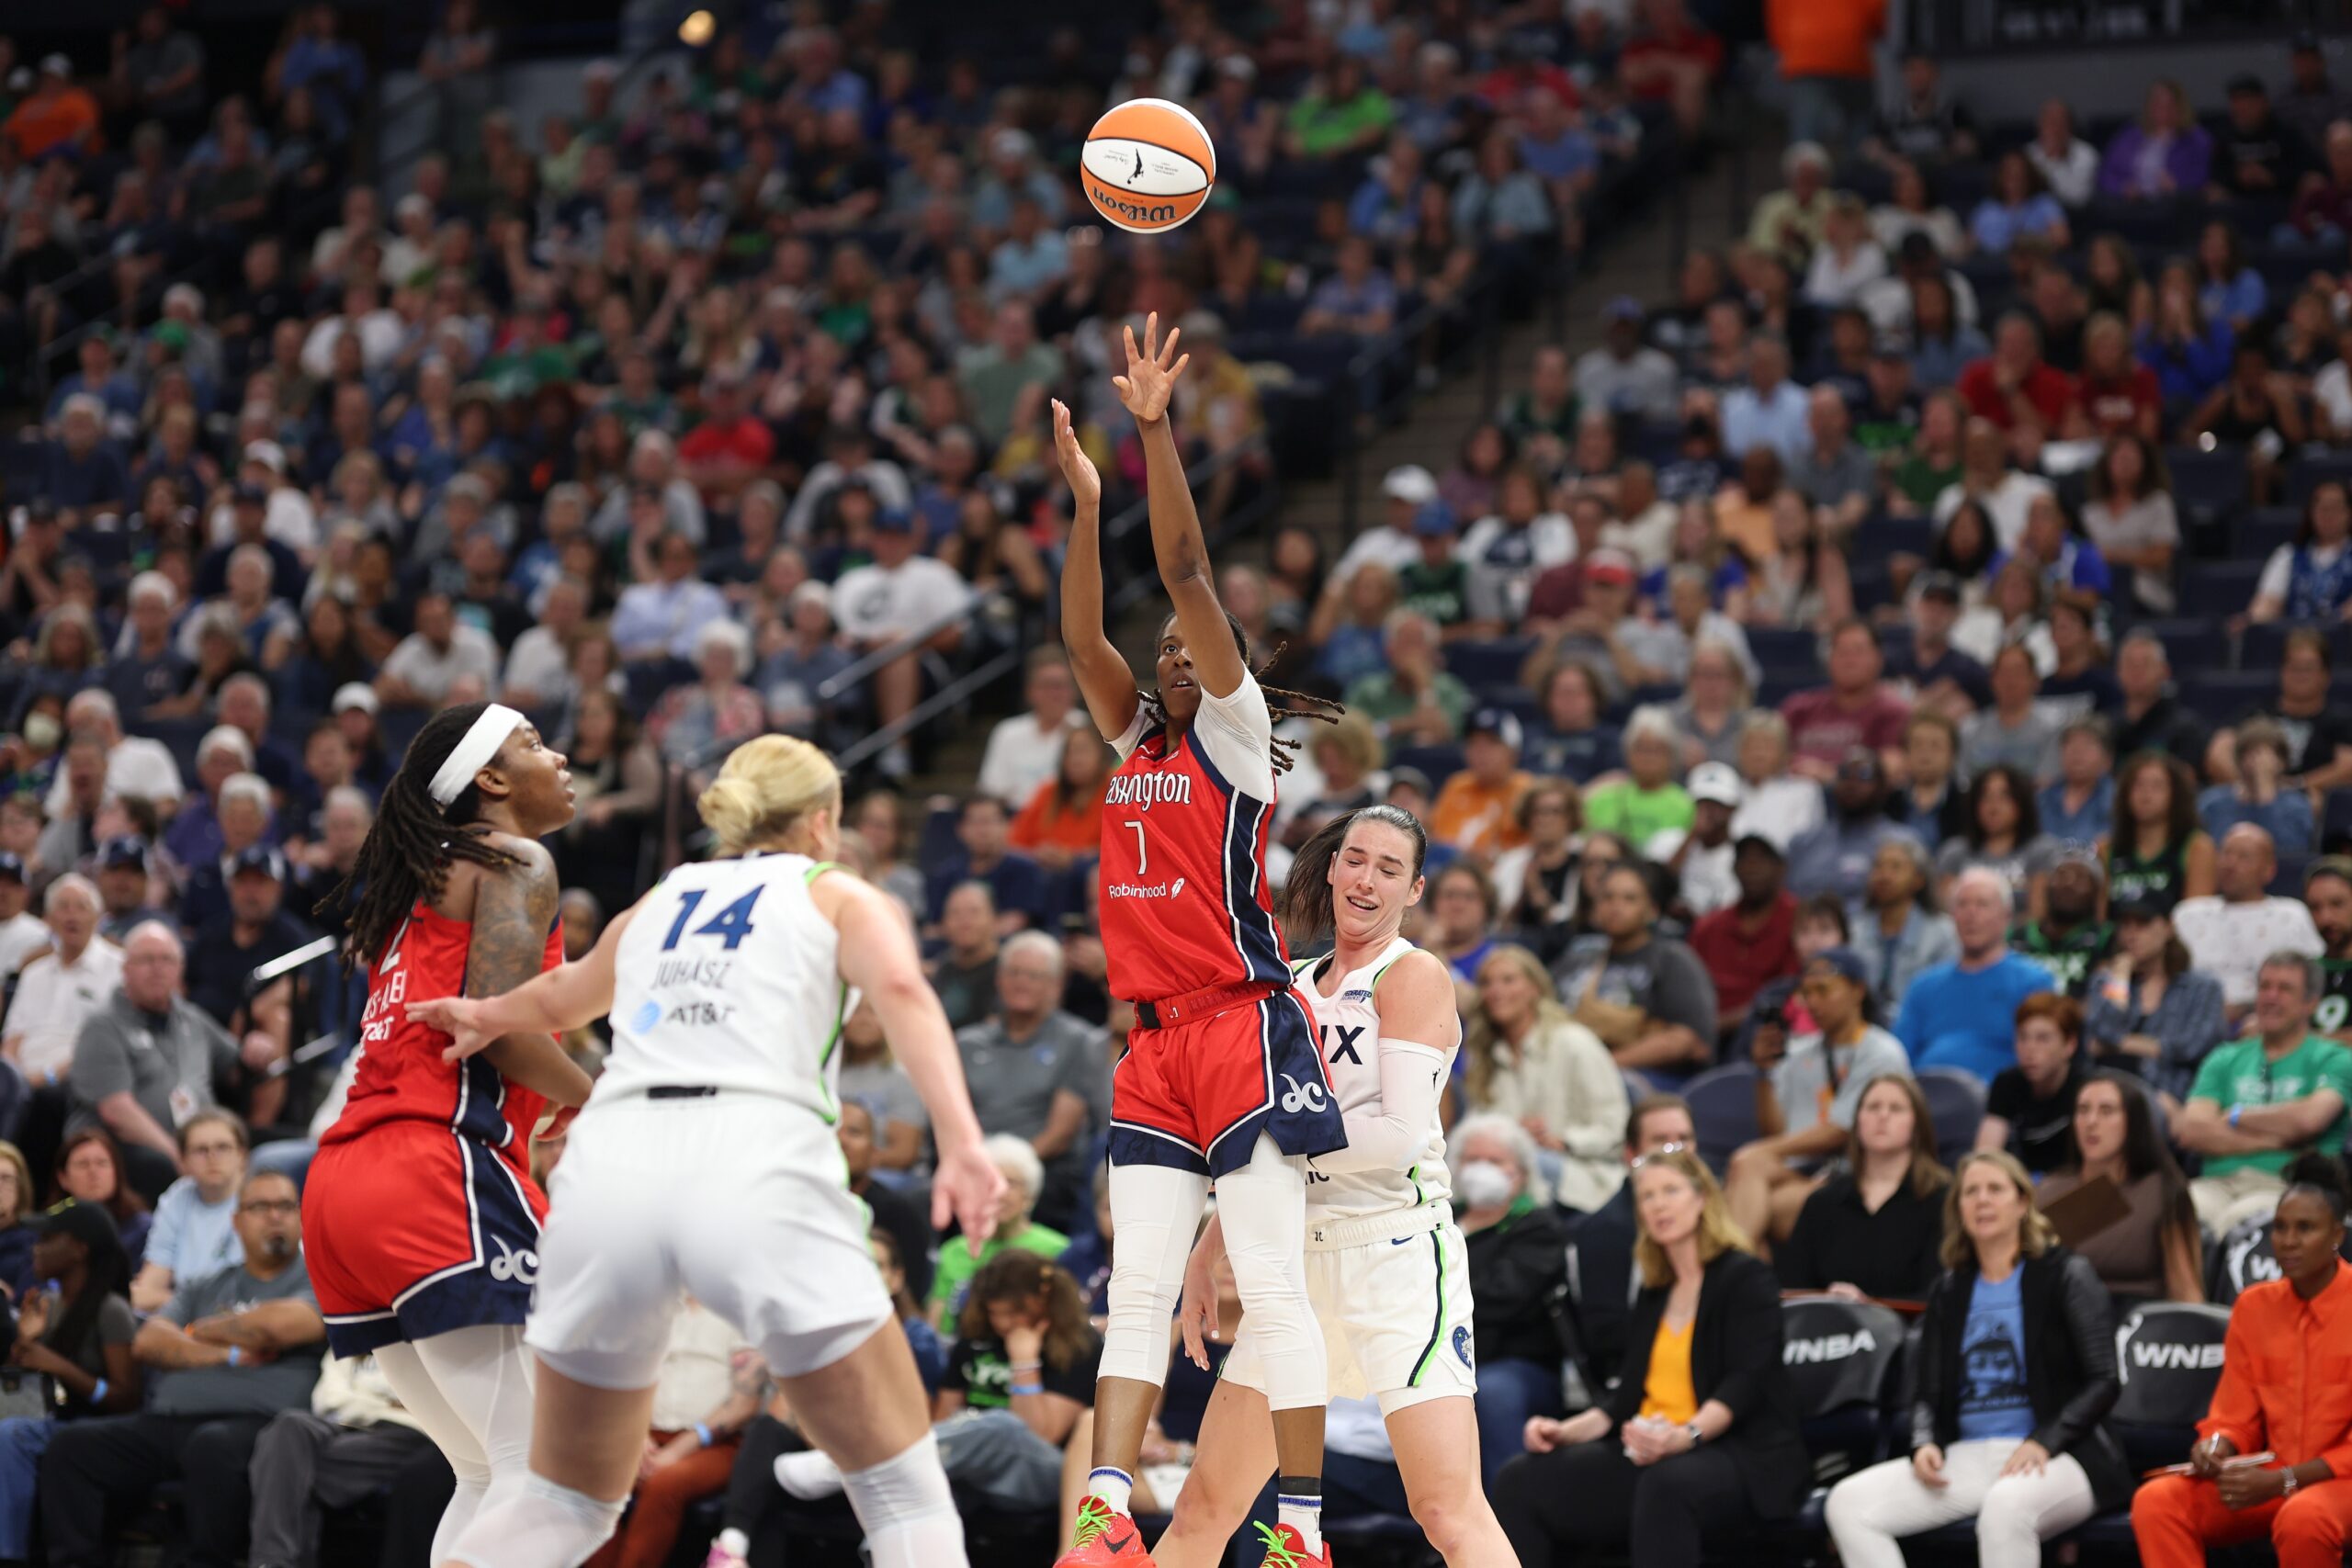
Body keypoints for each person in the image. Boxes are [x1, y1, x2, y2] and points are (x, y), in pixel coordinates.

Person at [403, 733, 1003, 1568]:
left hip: (614, 1158)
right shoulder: (839, 894)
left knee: (563, 1503)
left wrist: (483, 1015)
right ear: (823, 822)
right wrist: (964, 1143)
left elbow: (563, 994)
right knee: (901, 1491)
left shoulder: (663, 897)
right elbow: (902, 989)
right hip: (755, 1151)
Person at [1045, 323, 1349, 1568]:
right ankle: (1108, 1499)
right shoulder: (1140, 745)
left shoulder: (1230, 732)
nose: (1169, 656)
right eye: (1164, 651)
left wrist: (1157, 431)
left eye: (1185, 646)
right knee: (1140, 1287)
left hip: (1239, 1018)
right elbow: (1079, 639)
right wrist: (1083, 503)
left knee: (1270, 1279)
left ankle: (1306, 1528)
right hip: (1154, 1039)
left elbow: (1181, 566)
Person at [1152, 806, 1515, 1568]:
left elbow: (1396, 1136)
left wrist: (1278, 1161)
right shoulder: (1288, 987)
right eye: (1356, 859)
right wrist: (1206, 1247)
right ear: (1331, 867)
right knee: (1205, 1505)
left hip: (1396, 1257)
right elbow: (1258, 1138)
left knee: (1448, 1509)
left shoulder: (1412, 974)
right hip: (1294, 1263)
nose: (1367, 878)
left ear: (1413, 891)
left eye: (1389, 868)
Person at [297, 702, 597, 1566]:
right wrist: (598, 1096)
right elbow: (500, 1027)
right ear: (491, 781)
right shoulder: (516, 857)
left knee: (482, 1466)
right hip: (428, 1167)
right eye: (535, 743)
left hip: (344, 1189)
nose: (561, 752)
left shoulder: (424, 884)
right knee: (544, 1471)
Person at [1492, 1147, 1808, 1568]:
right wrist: (1563, 1431)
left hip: (1738, 1453)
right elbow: (1623, 1401)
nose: (1659, 1204)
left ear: (1702, 1199)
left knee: (1666, 1484)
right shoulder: (1655, 1291)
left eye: (1671, 1191)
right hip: (1652, 1450)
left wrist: (1686, 1436)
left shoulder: (1745, 1277)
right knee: (1520, 1479)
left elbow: (1745, 1383)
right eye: (1648, 1196)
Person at [1822, 1149, 2126, 1568]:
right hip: (1969, 1455)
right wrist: (1924, 1441)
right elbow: (1926, 1392)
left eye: (1995, 1189)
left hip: (2064, 1454)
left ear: (2022, 1203)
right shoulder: (1950, 1289)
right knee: (1847, 1503)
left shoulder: (2066, 1273)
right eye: (1971, 1192)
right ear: (1959, 1208)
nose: (1982, 1200)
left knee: (2005, 1509)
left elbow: (2104, 1378)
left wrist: (2045, 1440)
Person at [38, 1170, 324, 1568]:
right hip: (169, 1420)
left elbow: (283, 1325)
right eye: (260, 1206)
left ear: (301, 1217)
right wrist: (229, 1353)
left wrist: (196, 1331)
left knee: (211, 1446)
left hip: (259, 1424)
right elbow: (148, 1341)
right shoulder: (205, 1285)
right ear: (236, 1221)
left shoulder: (319, 1279)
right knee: (71, 1449)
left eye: (285, 1206)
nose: (274, 1216)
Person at [2130, 1154, 2352, 1568]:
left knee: (2304, 1517)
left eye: (2305, 1228)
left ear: (2337, 1234)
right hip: (2273, 1477)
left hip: (2340, 1482)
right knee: (2158, 1501)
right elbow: (2235, 1414)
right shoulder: (2254, 1307)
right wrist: (2216, 1445)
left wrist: (2284, 1480)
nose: (2287, 1241)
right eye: (2281, 1228)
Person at [1725, 949, 1912, 1251]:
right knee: (1749, 1171)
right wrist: (1763, 1073)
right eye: (1806, 992)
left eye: (1823, 991)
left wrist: (1758, 1151)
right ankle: (1741, 1287)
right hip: (1803, 1175)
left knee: (1751, 1197)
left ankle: (1726, 1283)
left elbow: (1840, 1131)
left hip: (1857, 1179)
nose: (1812, 1002)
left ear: (1857, 991)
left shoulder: (1881, 1051)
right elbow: (1777, 1133)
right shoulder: (1798, 1053)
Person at [2176, 952, 2352, 1240]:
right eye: (2264, 987)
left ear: (2311, 1002)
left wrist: (2234, 1115)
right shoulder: (2224, 1057)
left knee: (2241, 1223)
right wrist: (2282, 1138)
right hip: (2216, 1183)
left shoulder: (2334, 1058)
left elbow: (2309, 1121)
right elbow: (2191, 1130)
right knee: (2178, 1211)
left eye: (2284, 989)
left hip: (2289, 1188)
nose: (2271, 997)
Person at [64, 923, 244, 1205]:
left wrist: (257, 1048)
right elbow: (117, 1112)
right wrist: (177, 1154)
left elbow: (237, 1062)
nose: (158, 969)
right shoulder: (103, 1025)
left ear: (180, 968)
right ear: (125, 968)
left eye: (167, 960)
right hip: (125, 1150)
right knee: (158, 1167)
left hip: (196, 1144)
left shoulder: (191, 1019)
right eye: (147, 960)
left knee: (264, 1147)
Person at [0, 1200, 139, 1563]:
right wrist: (26, 1341)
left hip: (95, 1428)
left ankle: (10, 1553)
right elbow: (32, 1383)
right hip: (53, 1420)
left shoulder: (112, 1310)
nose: (36, 1247)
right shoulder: (49, 1304)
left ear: (80, 1249)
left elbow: (125, 1397)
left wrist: (58, 1365)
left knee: (12, 1434)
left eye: (47, 1237)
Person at [956, 935, 1103, 1232]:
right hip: (972, 1166)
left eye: (1034, 976)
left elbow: (1060, 1133)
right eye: (1014, 972)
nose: (1021, 982)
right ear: (998, 979)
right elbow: (953, 1116)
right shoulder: (967, 1043)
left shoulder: (1077, 1040)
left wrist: (1005, 1172)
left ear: (1056, 986)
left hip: (1042, 1172)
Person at [1463, 944, 1627, 1212]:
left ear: (1534, 988)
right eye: (1487, 983)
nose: (1496, 991)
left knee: (1522, 1167)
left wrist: (1562, 1140)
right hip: (1504, 1170)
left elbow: (1615, 1127)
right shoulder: (1485, 1056)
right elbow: (1474, 1128)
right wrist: (1512, 1135)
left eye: (1508, 980)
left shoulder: (1575, 1043)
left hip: (1580, 1174)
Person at [246, 1350, 436, 1568]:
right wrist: (387, 1405)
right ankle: (273, 1563)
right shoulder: (355, 1329)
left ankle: (272, 1563)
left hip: (406, 1433)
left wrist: (370, 1405)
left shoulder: (426, 1337)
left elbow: (429, 1405)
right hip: (346, 1425)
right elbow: (329, 1398)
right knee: (290, 1425)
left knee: (288, 1468)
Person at [1776, 1074, 1952, 1302]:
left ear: (1917, 1124)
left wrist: (1867, 1308)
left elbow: (1938, 1296)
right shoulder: (1822, 1202)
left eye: (1896, 1108)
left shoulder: (1941, 1199)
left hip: (1910, 1334)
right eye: (1873, 1107)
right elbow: (1793, 1290)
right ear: (1857, 1122)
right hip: (1827, 1332)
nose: (1883, 1115)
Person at [2036, 1072, 2204, 1306]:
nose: (2091, 1122)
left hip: (2135, 1325)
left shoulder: (2160, 1190)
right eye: (2083, 1110)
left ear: (2133, 1122)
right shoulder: (2051, 1188)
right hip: (2060, 1322)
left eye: (2106, 1111)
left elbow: (2186, 1290)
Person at [1554, 863, 1720, 1075]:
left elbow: (1690, 1040)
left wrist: (1603, 1066)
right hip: (1564, 1064)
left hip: (1638, 1077)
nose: (1616, 907)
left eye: (1629, 899)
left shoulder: (1672, 959)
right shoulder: (1580, 952)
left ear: (1652, 911)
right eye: (1607, 897)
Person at [1894, 868, 2057, 1079]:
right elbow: (1899, 1057)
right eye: (1962, 905)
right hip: (1927, 1100)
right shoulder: (1923, 985)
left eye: (1982, 904)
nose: (1971, 914)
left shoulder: (2033, 982)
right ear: (1952, 917)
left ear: (2006, 916)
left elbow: (2042, 1057)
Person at [2173, 825, 2325, 1019]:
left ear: (2269, 870)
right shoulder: (2188, 914)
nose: (2230, 864)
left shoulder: (2291, 915)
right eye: (2226, 854)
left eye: (2244, 857)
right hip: (2191, 1020)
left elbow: (2311, 982)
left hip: (2266, 1021)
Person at [925, 1136, 1069, 1327]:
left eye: (1011, 1183)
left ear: (1030, 1196)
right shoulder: (954, 1251)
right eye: (991, 1182)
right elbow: (935, 1323)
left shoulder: (1058, 1250)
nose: (1000, 1192)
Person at [130, 1111, 248, 1313]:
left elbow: (240, 1299)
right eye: (201, 1150)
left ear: (242, 1156)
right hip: (183, 1315)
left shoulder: (258, 1199)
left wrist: (169, 1301)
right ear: (182, 1161)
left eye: (223, 1147)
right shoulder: (177, 1196)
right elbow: (147, 1288)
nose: (212, 1158)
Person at [1977, 994, 2090, 1176]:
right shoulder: (2006, 1083)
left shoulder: (2087, 1088)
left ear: (2070, 1045)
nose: (2029, 1049)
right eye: (2023, 1037)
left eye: (2043, 1038)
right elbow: (1984, 1157)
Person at [1849, 839, 1959, 1019]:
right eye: (1878, 867)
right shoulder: (1854, 930)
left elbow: (1946, 996)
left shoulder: (1943, 933)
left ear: (1919, 879)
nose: (1884, 875)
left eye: (1896, 867)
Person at [2102, 751, 2216, 917]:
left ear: (2176, 794)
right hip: (2117, 940)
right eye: (2138, 785)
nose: (2146, 794)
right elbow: (2101, 920)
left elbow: (2195, 921)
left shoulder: (2198, 848)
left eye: (2157, 786)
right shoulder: (2106, 848)